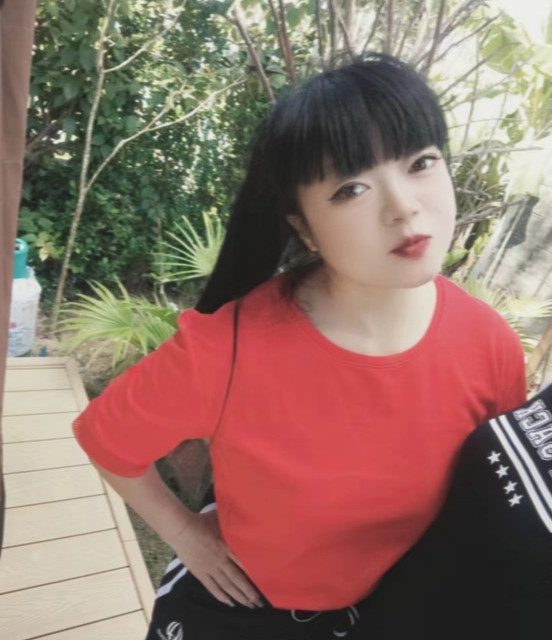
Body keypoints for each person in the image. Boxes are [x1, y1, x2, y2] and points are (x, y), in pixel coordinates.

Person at [72, 53, 527, 640]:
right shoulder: (228, 350)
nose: (403, 206)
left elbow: (496, 498)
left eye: (421, 162)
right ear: (305, 228)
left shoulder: (490, 345)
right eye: (351, 188)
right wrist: (184, 534)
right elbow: (105, 436)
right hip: (246, 614)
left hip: (402, 612)